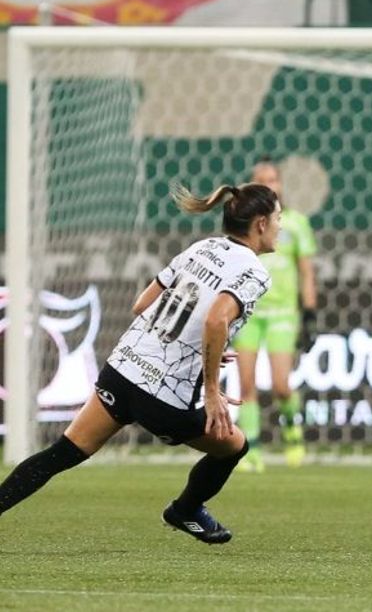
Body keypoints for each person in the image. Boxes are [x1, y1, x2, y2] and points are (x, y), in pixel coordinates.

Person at [0, 182, 279, 543]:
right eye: (278, 218)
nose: (280, 226)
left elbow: (143, 305)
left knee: (62, 453)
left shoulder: (202, 248)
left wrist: (197, 347)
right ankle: (185, 510)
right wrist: (211, 390)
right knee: (234, 447)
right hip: (164, 396)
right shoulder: (254, 272)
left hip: (123, 368)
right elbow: (215, 321)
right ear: (260, 223)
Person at [232, 157, 318, 471]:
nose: (269, 184)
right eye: (262, 179)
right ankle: (249, 449)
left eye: (273, 179)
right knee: (246, 384)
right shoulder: (247, 226)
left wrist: (309, 313)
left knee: (282, 385)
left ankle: (293, 433)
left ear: (281, 184)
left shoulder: (295, 224)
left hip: (283, 314)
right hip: (249, 314)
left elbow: (306, 272)